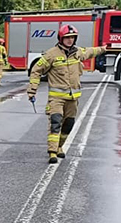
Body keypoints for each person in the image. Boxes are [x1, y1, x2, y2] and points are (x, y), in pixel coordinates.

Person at [28, 25, 106, 163]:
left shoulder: (77, 52)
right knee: (55, 122)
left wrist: (104, 49)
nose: (70, 40)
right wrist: (32, 90)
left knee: (68, 124)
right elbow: (36, 70)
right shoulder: (51, 54)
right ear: (61, 38)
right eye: (67, 38)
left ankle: (59, 147)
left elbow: (90, 51)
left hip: (73, 98)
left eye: (72, 37)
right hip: (56, 98)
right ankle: (52, 152)